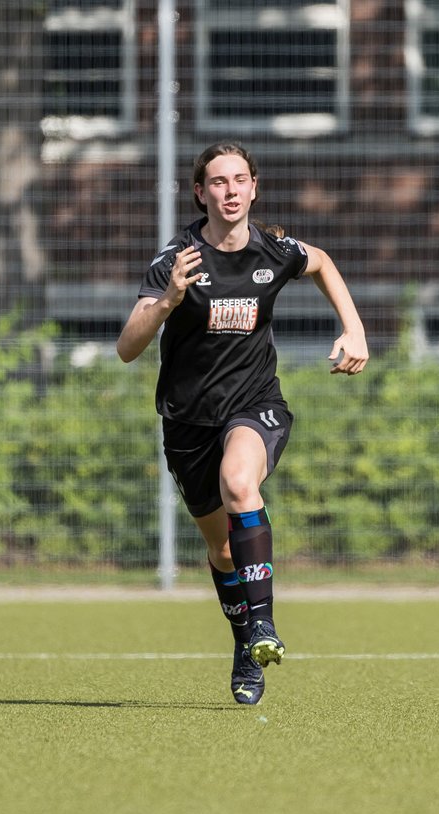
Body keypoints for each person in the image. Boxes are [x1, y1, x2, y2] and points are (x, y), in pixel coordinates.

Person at [117, 141, 369, 704]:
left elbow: (322, 261)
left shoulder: (274, 251)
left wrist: (354, 329)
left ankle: (263, 625)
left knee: (240, 483)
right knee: (223, 552)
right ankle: (243, 644)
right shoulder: (175, 259)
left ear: (254, 187)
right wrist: (166, 302)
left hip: (255, 405)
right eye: (217, 182)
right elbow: (127, 348)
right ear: (200, 192)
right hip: (187, 422)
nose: (229, 191)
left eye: (239, 180)